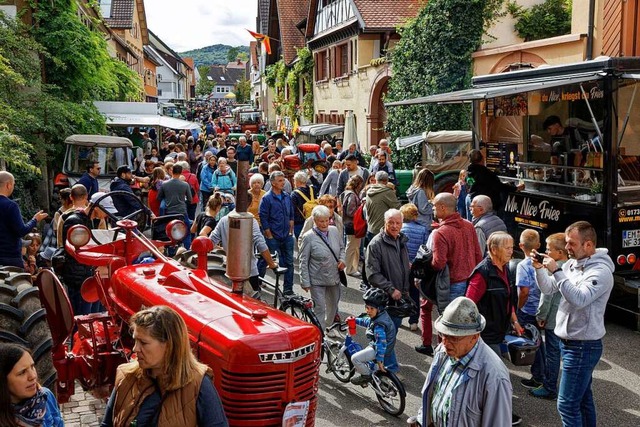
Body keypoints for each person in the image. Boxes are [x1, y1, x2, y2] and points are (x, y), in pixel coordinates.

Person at [532, 221, 614, 427]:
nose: (567, 248)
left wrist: (556, 271)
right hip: (569, 343)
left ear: (588, 245)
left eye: (571, 243)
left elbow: (579, 299)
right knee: (583, 400)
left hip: (582, 347)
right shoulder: (571, 264)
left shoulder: (601, 272)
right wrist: (540, 269)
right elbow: (550, 289)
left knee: (567, 405)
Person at [101, 306, 229, 427]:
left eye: (143, 343)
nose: (135, 348)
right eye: (135, 340)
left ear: (169, 345)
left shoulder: (199, 385)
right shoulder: (126, 375)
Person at [410, 297, 512, 427]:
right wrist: (421, 419)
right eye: (443, 334)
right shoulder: (443, 351)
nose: (445, 342)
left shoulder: (495, 377)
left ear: (475, 336)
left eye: (453, 337)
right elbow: (431, 392)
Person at [465, 231, 524, 426]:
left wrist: (514, 321)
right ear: (493, 250)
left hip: (500, 330)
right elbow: (468, 305)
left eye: (511, 246)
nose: (511, 251)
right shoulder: (482, 273)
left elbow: (508, 299)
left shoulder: (505, 268)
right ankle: (499, 414)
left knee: (492, 375)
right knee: (496, 375)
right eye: (507, 248)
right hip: (486, 334)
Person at [366, 209, 410, 369]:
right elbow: (373, 274)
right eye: (391, 222)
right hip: (385, 300)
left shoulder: (401, 240)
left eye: (398, 223)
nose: (394, 226)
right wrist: (391, 289)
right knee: (387, 334)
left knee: (389, 333)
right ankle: (388, 367)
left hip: (399, 298)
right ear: (384, 223)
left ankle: (376, 359)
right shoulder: (376, 244)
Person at [210, 194, 277, 299]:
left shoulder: (224, 220)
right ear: (250, 204)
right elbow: (260, 243)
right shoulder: (251, 220)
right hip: (249, 271)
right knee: (253, 303)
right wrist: (272, 264)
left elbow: (211, 241)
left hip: (228, 270)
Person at [62, 191, 115, 315]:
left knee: (96, 314)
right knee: (82, 315)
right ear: (96, 207)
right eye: (105, 211)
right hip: (80, 278)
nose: (106, 215)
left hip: (91, 275)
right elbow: (75, 252)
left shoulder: (92, 221)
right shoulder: (74, 221)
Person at [530, 232, 568, 400]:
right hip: (562, 318)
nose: (545, 252)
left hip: (553, 319)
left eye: (548, 249)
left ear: (559, 253)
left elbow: (546, 296)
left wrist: (540, 315)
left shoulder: (553, 269)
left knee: (552, 354)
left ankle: (549, 387)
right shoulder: (569, 266)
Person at [431, 193, 482, 310]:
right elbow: (478, 254)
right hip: (472, 282)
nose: (433, 209)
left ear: (443, 207)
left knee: (451, 324)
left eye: (434, 206)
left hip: (453, 284)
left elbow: (439, 263)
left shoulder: (440, 232)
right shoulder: (469, 225)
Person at [299, 205, 345, 331]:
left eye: (327, 220)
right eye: (321, 221)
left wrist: (342, 260)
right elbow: (303, 260)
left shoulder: (334, 231)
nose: (325, 224)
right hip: (317, 278)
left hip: (334, 276)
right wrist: (305, 281)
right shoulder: (308, 237)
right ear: (314, 220)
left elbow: (342, 248)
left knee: (333, 305)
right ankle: (319, 334)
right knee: (320, 308)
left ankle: (328, 327)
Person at [0, 343, 63, 427]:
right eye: (22, 372)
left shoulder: (46, 396)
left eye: (32, 366)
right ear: (3, 380)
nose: (33, 376)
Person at [515, 229, 545, 390]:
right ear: (539, 245)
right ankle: (544, 372)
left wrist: (518, 307)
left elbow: (524, 291)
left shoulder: (522, 265)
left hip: (528, 309)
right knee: (541, 342)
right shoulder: (545, 261)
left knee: (534, 344)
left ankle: (539, 376)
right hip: (541, 309)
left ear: (520, 245)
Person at [348, 288, 398, 386]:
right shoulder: (381, 316)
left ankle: (366, 376)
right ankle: (373, 373)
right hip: (387, 345)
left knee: (355, 358)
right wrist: (356, 320)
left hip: (381, 348)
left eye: (371, 309)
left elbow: (380, 343)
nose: (368, 311)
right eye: (367, 307)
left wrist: (380, 360)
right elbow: (368, 322)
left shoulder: (379, 325)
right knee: (367, 358)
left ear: (378, 309)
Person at [0, 171, 48, 269]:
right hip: (9, 258)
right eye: (13, 184)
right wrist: (35, 220)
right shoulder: (11, 206)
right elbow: (21, 231)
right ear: (8, 185)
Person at [399, 203, 432, 347]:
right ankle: (413, 321)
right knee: (414, 294)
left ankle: (399, 316)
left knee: (400, 292)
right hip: (416, 266)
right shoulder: (423, 229)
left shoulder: (401, 229)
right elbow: (426, 248)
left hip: (402, 266)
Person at [259, 171, 295, 295]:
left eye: (283, 180)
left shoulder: (286, 196)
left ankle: (288, 289)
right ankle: (257, 284)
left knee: (289, 262)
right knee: (265, 260)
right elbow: (263, 217)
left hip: (286, 236)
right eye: (280, 181)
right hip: (273, 236)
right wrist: (269, 235)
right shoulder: (267, 198)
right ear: (272, 183)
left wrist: (291, 228)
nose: (283, 183)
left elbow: (291, 213)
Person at [466, 149, 523, 215]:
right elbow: (498, 186)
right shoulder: (485, 173)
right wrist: (516, 188)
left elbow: (472, 185)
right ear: (482, 159)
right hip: (484, 205)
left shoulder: (469, 172)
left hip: (472, 201)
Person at [157, 163, 193, 249]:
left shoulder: (164, 184)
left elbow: (159, 197)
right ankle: (187, 249)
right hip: (182, 212)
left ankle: (171, 249)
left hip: (169, 212)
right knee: (187, 232)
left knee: (170, 232)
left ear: (172, 172)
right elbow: (190, 199)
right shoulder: (185, 185)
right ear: (181, 173)